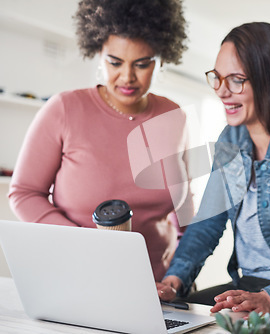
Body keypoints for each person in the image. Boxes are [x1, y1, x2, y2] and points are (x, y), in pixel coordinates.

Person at [8, 0, 192, 282]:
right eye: (115, 62)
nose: (127, 77)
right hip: (78, 276)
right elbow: (24, 193)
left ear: (161, 59)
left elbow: (185, 209)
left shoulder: (173, 115)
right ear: (98, 53)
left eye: (142, 64)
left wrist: (183, 270)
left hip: (159, 284)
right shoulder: (64, 109)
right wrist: (84, 242)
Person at [156, 22, 270, 316]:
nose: (222, 91)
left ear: (269, 80)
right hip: (249, 286)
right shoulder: (232, 139)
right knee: (167, 315)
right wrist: (174, 280)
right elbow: (208, 223)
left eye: (236, 80)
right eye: (217, 78)